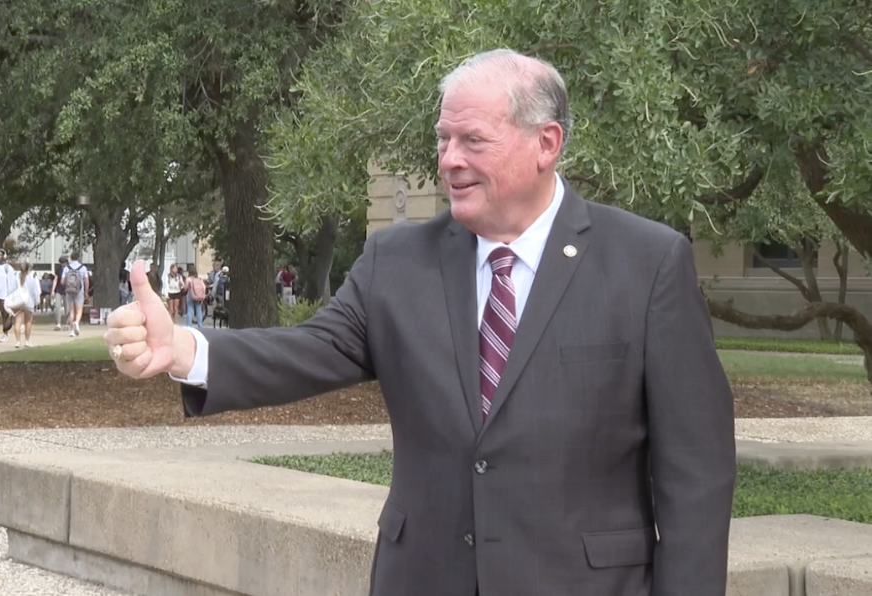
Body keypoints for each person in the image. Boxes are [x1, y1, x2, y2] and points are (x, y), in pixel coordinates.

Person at [104, 49, 736, 596]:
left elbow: (696, 472)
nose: (449, 160)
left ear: (547, 143)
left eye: (472, 141)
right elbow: (310, 350)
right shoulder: (397, 261)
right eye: (443, 139)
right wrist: (185, 349)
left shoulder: (647, 263)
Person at [60, 251, 89, 337]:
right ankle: (77, 322)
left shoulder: (66, 268)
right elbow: (86, 281)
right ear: (78, 258)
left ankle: (72, 331)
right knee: (79, 310)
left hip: (69, 291)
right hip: (79, 291)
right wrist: (86, 292)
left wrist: (68, 285)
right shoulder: (83, 268)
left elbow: (62, 281)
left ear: (71, 258)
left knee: (71, 310)